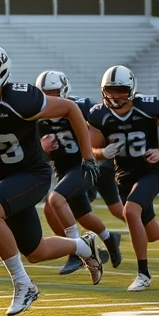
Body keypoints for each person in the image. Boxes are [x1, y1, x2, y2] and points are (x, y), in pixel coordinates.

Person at [0, 42, 103, 316]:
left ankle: (23, 285)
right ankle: (82, 245)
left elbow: (70, 109)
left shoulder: (20, 99)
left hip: (32, 174)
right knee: (35, 251)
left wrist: (87, 157)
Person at [89, 65, 159, 292]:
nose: (116, 96)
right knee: (151, 233)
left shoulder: (148, 107)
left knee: (131, 211)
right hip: (123, 175)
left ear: (132, 89)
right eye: (111, 90)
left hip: (150, 171)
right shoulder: (99, 114)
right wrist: (102, 154)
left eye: (122, 90)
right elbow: (92, 147)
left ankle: (143, 273)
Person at [35, 71, 122, 275]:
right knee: (84, 216)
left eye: (54, 92)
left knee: (55, 199)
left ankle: (76, 251)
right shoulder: (38, 117)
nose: (51, 98)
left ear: (64, 91)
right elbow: (36, 156)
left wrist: (102, 150)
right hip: (63, 169)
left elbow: (103, 129)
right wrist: (42, 147)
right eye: (46, 94)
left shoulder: (82, 108)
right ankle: (110, 238)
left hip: (84, 166)